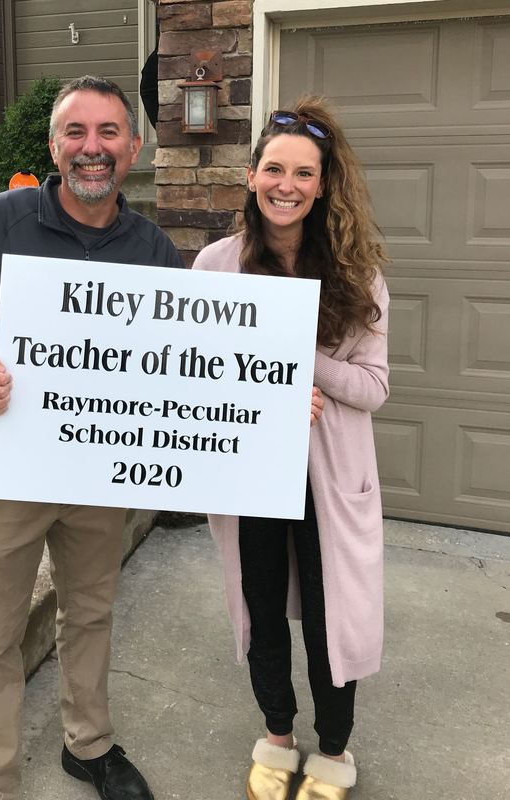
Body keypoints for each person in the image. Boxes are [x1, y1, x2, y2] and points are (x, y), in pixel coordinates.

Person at [0, 75, 184, 800]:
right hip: (0, 466)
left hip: (97, 472)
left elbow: (184, 368)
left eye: (108, 134)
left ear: (133, 148)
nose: (91, 149)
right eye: (77, 132)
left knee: (91, 613)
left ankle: (88, 744)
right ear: (54, 145)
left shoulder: (154, 250)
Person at [193, 96, 390, 800]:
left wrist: (294, 358)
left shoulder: (357, 274)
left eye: (303, 173)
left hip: (328, 477)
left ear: (322, 183)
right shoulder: (216, 267)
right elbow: (195, 376)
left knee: (333, 614)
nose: (287, 184)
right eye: (274, 168)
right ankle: (277, 732)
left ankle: (334, 748)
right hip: (248, 475)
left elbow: (372, 387)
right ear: (250, 176)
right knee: (260, 603)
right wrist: (258, 393)